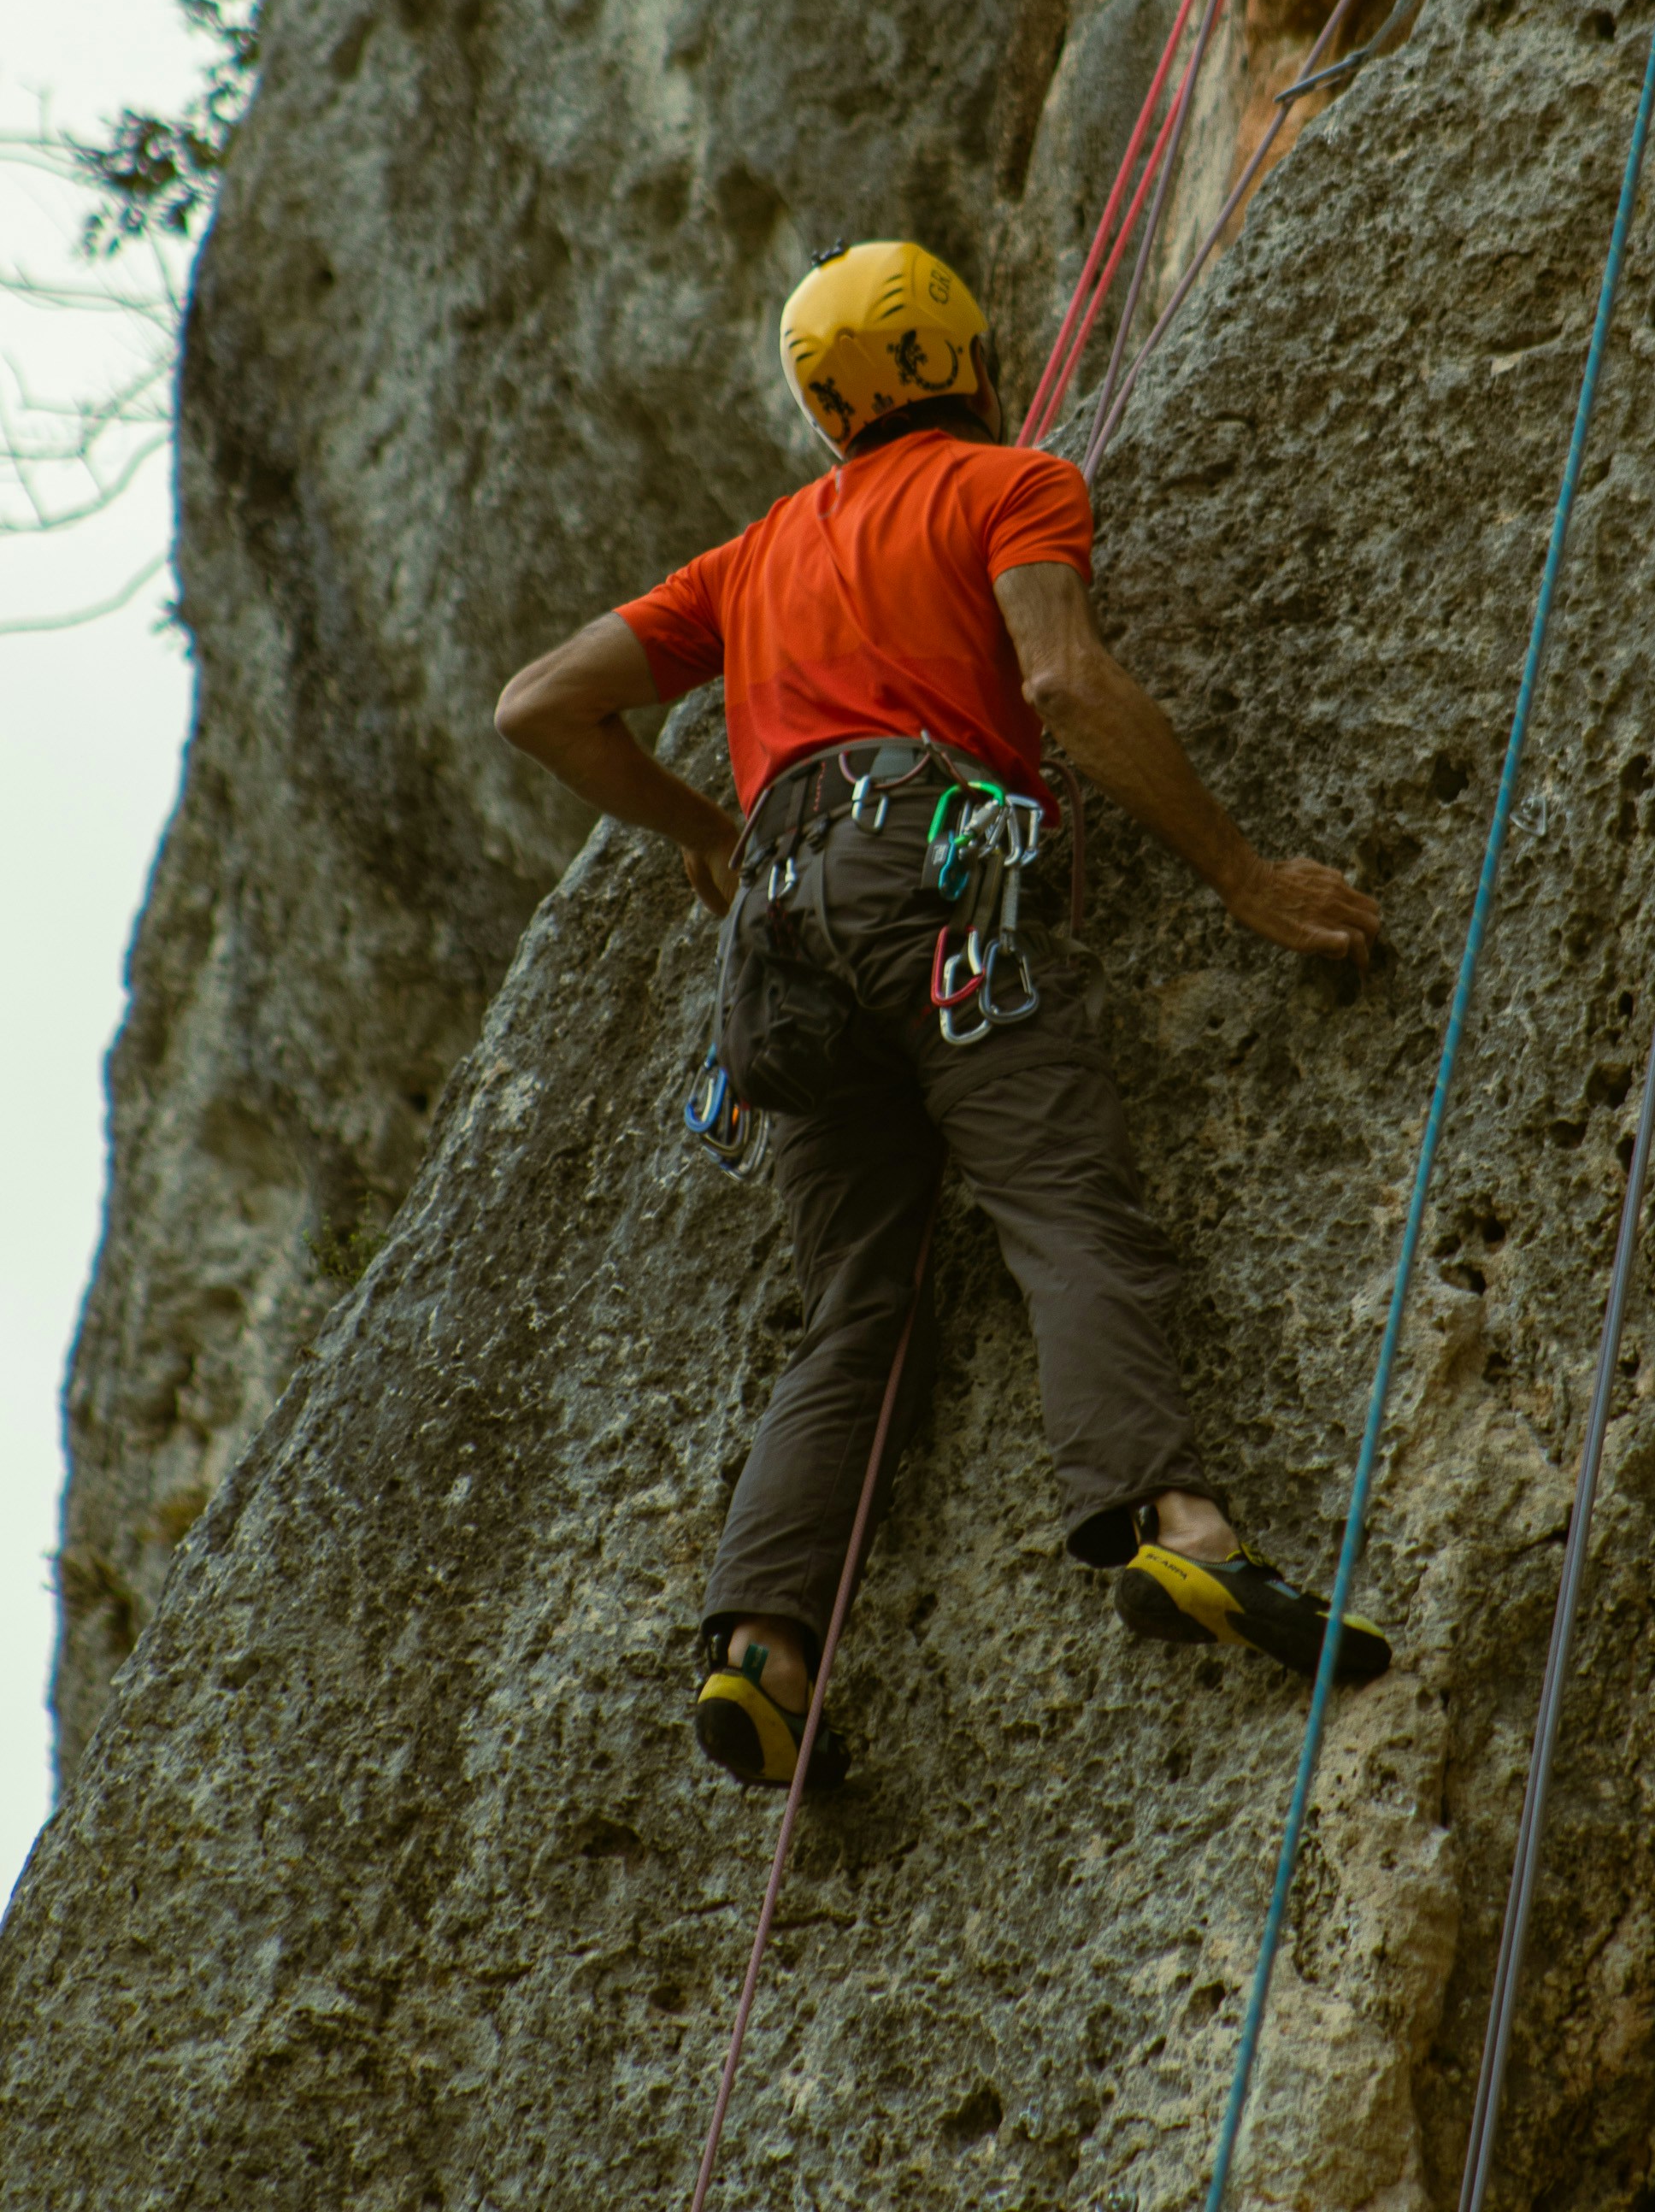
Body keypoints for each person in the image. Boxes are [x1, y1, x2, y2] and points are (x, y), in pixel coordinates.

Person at [496, 240, 1388, 1790]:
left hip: (777, 934)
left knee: (858, 1307)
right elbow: (1063, 682)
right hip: (935, 887)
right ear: (970, 358)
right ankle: (1177, 1530)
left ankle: (762, 1651)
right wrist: (1238, 873)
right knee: (1059, 1207)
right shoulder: (1010, 486)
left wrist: (705, 831)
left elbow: (542, 707)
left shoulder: (751, 557)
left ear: (824, 407)